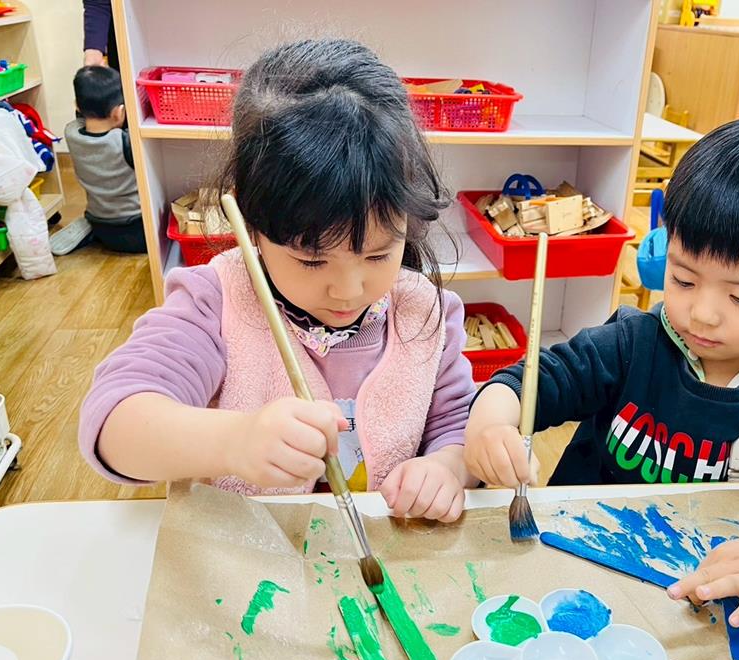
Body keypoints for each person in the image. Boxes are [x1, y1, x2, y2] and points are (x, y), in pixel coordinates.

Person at [464, 117, 739, 622]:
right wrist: (490, 424)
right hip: (576, 569)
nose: (702, 314)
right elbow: (525, 382)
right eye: (684, 279)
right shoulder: (631, 345)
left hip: (706, 599)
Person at [79, 38, 477, 522]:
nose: (348, 290)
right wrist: (234, 441)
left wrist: (446, 467)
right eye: (311, 260)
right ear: (252, 222)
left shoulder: (426, 313)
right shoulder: (215, 302)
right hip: (248, 554)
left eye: (377, 254)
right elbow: (113, 422)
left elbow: (456, 426)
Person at [57, 66, 145, 254]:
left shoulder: (71, 133)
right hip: (138, 229)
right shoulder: (124, 142)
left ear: (77, 106)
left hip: (101, 227)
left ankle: (88, 232)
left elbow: (79, 120)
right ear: (119, 112)